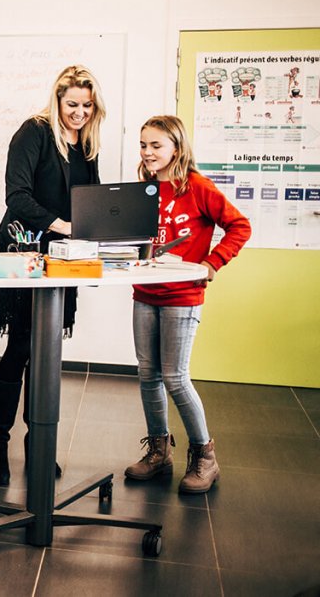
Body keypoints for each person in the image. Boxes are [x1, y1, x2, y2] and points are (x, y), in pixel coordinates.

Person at [0, 64, 106, 486]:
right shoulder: (34, 132)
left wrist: (99, 228)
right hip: (24, 248)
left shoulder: (87, 144)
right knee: (21, 347)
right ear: (57, 100)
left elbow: (90, 200)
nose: (79, 113)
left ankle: (37, 447)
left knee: (46, 353)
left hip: (64, 254)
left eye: (87, 106)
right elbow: (16, 196)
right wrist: (63, 225)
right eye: (72, 104)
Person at [124, 115, 251, 494]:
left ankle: (205, 457)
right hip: (145, 293)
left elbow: (240, 226)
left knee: (175, 377)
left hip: (183, 296)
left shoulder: (197, 187)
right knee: (148, 374)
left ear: (176, 148)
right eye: (144, 145)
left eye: (156, 145)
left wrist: (210, 264)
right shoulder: (143, 189)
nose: (148, 152)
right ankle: (159, 451)